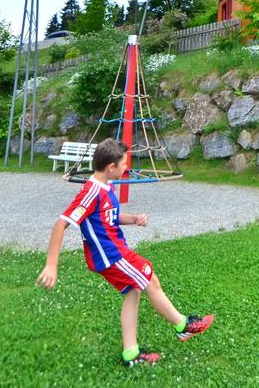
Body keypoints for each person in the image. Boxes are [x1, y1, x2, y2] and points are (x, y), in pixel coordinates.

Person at [37, 138, 214, 367]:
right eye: (123, 164)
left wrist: (133, 219)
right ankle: (183, 326)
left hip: (115, 251)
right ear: (111, 167)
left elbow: (109, 216)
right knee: (150, 278)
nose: (126, 168)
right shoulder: (91, 192)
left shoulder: (106, 186)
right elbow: (61, 223)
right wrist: (52, 264)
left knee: (134, 292)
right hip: (110, 255)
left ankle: (131, 354)